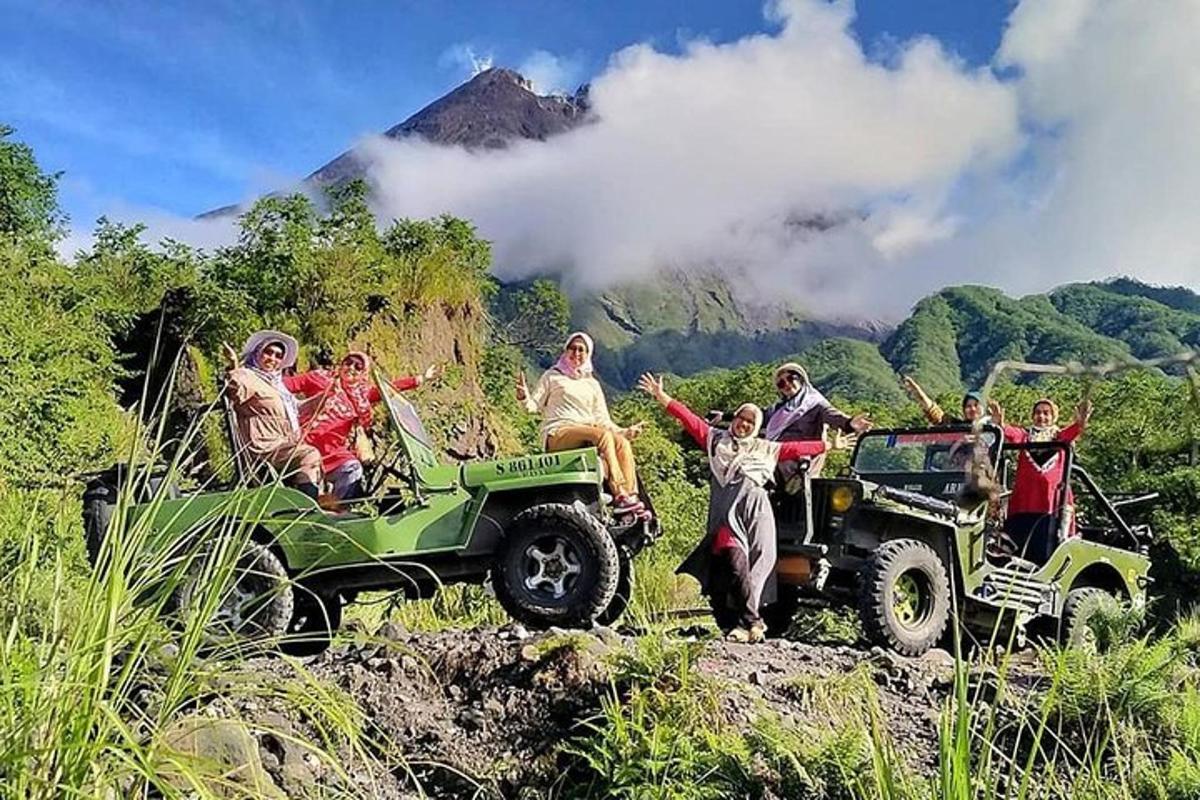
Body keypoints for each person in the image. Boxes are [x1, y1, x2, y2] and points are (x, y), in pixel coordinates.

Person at [639, 372, 827, 643]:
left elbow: (797, 448)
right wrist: (662, 397)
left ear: (756, 426)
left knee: (760, 564)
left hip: (757, 508)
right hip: (728, 511)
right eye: (741, 418)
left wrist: (828, 444)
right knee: (734, 560)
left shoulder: (765, 448)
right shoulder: (716, 440)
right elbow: (689, 420)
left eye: (751, 422)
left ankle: (746, 625)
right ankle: (753, 621)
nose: (744, 424)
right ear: (735, 419)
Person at [517, 332, 647, 517]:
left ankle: (631, 499)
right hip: (558, 433)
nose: (576, 353)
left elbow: (603, 419)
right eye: (572, 348)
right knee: (602, 435)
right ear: (565, 350)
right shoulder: (552, 376)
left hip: (587, 434)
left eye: (581, 349)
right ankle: (620, 493)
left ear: (588, 354)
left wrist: (625, 431)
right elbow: (533, 406)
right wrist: (524, 397)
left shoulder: (592, 384)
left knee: (621, 442)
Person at [284, 351, 440, 499]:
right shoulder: (319, 378)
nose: (351, 368)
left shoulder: (362, 396)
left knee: (352, 468)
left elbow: (388, 389)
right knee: (307, 476)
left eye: (358, 366)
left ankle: (335, 513)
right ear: (341, 364)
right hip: (305, 442)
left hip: (333, 452)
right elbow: (284, 386)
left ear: (363, 373)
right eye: (348, 363)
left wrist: (421, 378)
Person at [223, 331, 324, 501]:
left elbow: (298, 409)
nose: (273, 358)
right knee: (309, 454)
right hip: (263, 446)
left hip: (282, 444)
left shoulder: (277, 385)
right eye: (268, 352)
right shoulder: (247, 375)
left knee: (317, 460)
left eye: (278, 356)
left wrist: (324, 397)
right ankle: (307, 509)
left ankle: (312, 502)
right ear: (257, 353)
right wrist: (233, 364)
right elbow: (234, 390)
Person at [994, 397, 1093, 563]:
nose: (1042, 416)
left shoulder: (1059, 438)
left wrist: (1081, 421)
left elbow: (1075, 430)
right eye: (1038, 413)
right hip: (1025, 502)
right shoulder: (1026, 437)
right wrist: (1001, 424)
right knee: (1018, 543)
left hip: (1049, 503)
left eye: (1046, 413)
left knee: (1045, 545)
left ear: (1053, 417)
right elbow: (1012, 433)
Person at [761, 362, 871, 478]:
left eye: (790, 378)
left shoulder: (815, 404)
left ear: (801, 379)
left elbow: (833, 416)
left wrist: (850, 423)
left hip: (801, 466)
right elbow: (756, 419)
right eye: (781, 383)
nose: (787, 384)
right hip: (776, 457)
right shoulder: (777, 410)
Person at [901, 376, 998, 426]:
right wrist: (917, 392)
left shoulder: (991, 428)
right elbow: (935, 413)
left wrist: (998, 422)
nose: (972, 409)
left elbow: (1007, 436)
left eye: (976, 405)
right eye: (968, 406)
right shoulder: (956, 427)